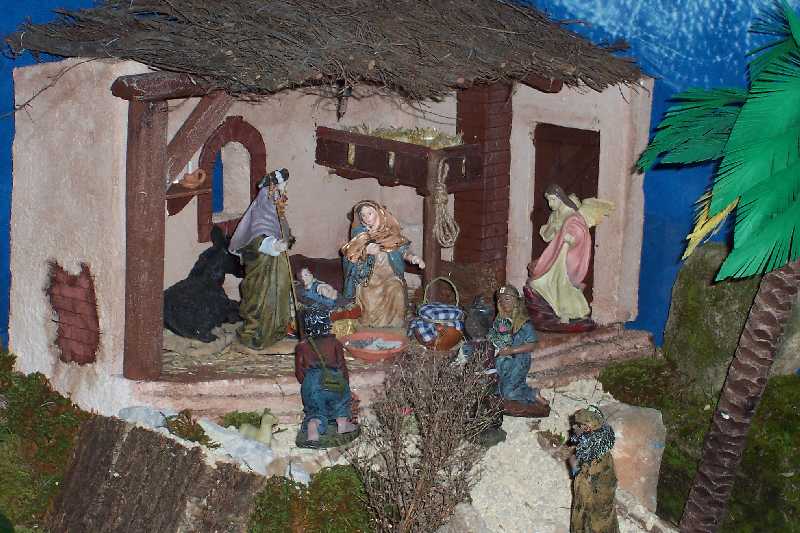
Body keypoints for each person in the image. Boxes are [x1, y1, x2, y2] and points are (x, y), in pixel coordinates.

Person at [228, 168, 293, 350]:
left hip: (277, 269)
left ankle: (277, 329)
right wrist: (272, 245)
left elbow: (285, 234)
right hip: (261, 273)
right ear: (270, 192)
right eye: (280, 190)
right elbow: (255, 240)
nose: (283, 194)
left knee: (279, 293)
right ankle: (256, 333)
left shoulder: (277, 214)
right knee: (259, 300)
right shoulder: (260, 212)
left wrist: (285, 242)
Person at [341, 200, 424, 328]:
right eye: (363, 215)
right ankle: (369, 328)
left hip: (390, 278)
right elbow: (349, 257)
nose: (366, 217)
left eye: (369, 213)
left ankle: (395, 327)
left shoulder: (390, 234)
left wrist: (413, 258)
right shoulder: (360, 237)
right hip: (368, 279)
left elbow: (402, 250)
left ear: (379, 213)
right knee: (366, 295)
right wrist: (365, 252)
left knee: (397, 290)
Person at [527, 185, 593, 322]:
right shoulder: (555, 215)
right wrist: (553, 227)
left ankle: (568, 313)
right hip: (555, 252)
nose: (550, 204)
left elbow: (580, 231)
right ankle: (554, 310)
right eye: (548, 200)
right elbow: (547, 236)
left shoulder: (572, 215)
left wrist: (570, 237)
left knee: (558, 282)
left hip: (568, 255)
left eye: (553, 200)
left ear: (560, 198)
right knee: (540, 279)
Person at [294, 306, 358, 448]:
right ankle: (342, 424)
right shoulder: (335, 343)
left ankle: (313, 428)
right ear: (326, 324)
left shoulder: (302, 346)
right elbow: (342, 367)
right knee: (341, 404)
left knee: (315, 410)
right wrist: (345, 386)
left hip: (312, 383)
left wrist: (308, 384)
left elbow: (299, 373)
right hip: (334, 380)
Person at [488, 285, 550, 417]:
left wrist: (511, 350)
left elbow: (532, 345)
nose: (504, 302)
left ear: (516, 301)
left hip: (518, 360)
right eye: (501, 300)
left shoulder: (524, 324)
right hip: (502, 361)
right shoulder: (501, 322)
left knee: (508, 393)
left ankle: (532, 394)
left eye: (507, 299)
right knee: (498, 389)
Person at [567, 407, 619, 533]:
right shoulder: (593, 451)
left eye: (579, 426)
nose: (574, 428)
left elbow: (585, 486)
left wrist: (575, 468)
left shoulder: (597, 460)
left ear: (589, 430)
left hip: (594, 507)